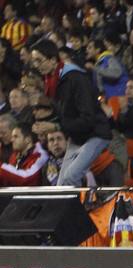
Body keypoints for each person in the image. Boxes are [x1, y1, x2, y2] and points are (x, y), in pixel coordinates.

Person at [28, 40, 113, 187]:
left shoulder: (76, 78)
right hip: (76, 136)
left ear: (53, 60)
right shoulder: (52, 81)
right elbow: (64, 115)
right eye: (34, 61)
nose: (36, 65)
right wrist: (44, 123)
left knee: (70, 178)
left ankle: (86, 203)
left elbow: (87, 119)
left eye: (39, 60)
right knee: (62, 185)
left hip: (95, 133)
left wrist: (55, 127)